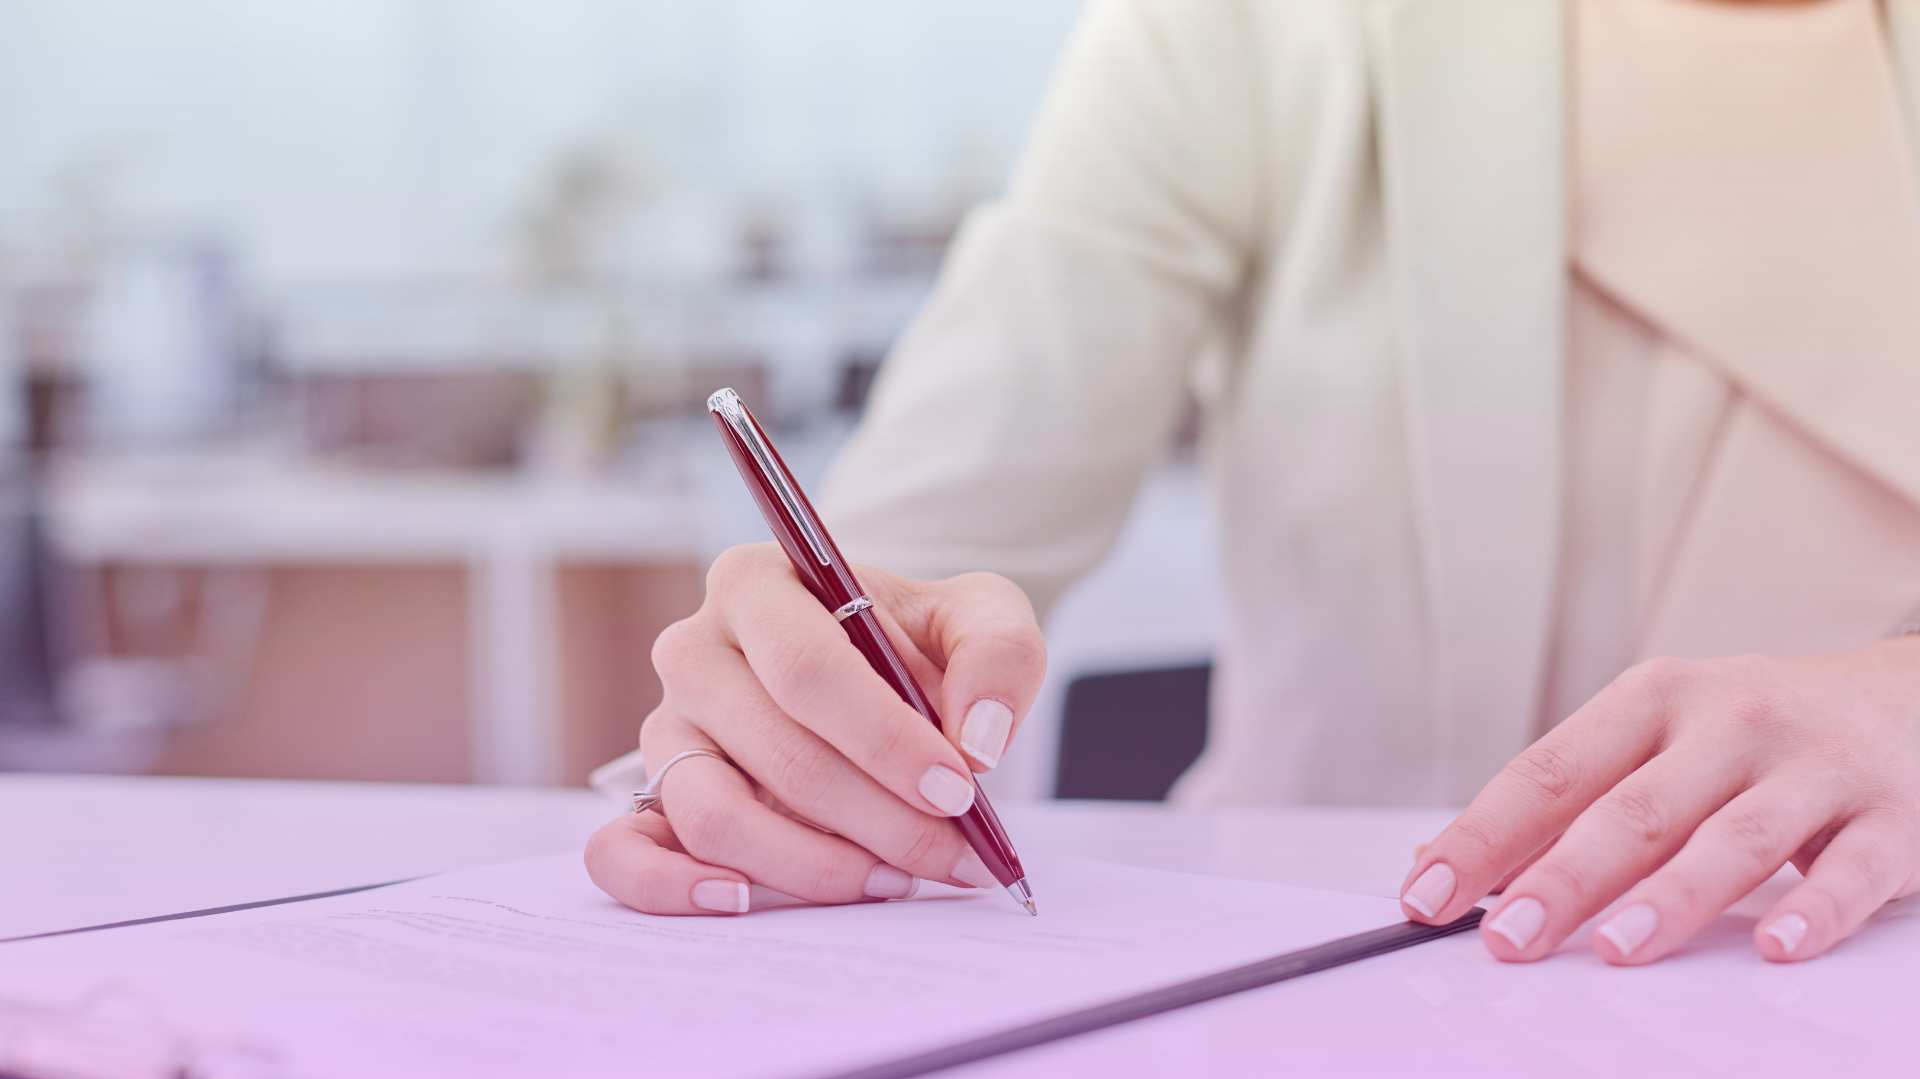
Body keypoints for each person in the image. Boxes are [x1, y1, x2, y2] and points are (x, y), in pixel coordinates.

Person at [587, 0, 1920, 966]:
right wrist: (781, 710)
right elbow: (910, 553)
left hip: (1838, 1002)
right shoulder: (1253, 30)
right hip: (1311, 1016)